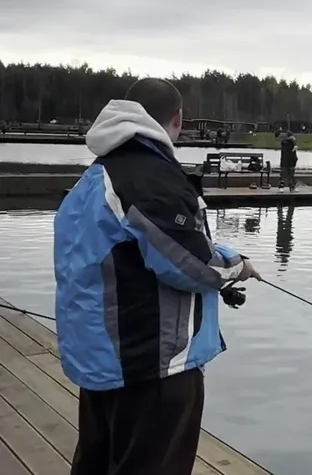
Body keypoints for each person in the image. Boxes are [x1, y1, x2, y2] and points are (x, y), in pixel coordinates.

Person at [53, 78, 261, 475]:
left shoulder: (98, 175)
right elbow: (194, 265)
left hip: (102, 362)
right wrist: (238, 266)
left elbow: (145, 246)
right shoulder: (150, 177)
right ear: (177, 119)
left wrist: (220, 252)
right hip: (150, 366)